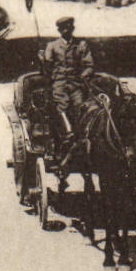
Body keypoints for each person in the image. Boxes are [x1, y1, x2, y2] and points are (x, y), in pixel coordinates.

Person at [40, 15, 94, 161]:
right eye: (63, 29)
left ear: (72, 29)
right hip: (59, 84)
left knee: (81, 107)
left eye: (69, 28)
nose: (67, 31)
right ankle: (68, 134)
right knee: (61, 107)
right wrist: (43, 60)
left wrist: (84, 76)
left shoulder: (81, 45)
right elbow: (47, 67)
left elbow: (89, 65)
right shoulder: (52, 46)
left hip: (76, 84)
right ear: (59, 30)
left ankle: (82, 137)